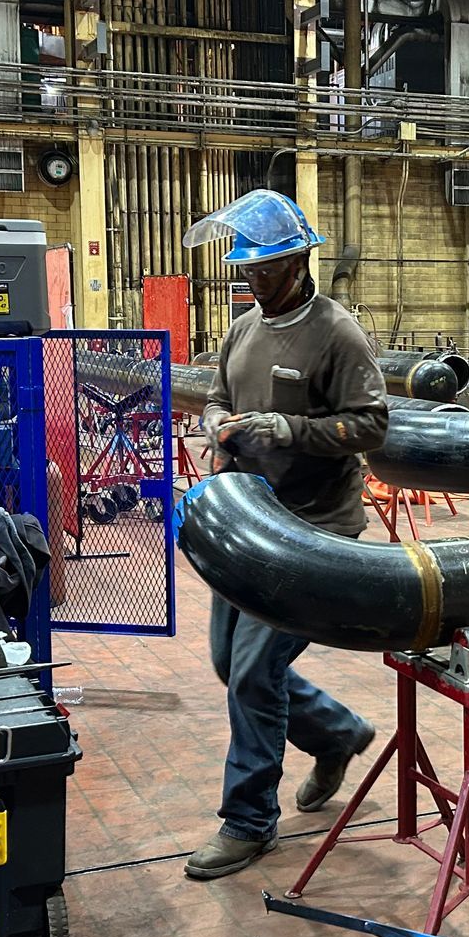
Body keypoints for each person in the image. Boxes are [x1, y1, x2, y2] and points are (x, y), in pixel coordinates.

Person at [180, 188, 387, 880]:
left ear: (298, 263)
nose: (252, 280)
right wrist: (216, 421)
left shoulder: (336, 332)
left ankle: (248, 822)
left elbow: (370, 425)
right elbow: (217, 394)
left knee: (253, 670)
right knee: (226, 664)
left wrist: (287, 429)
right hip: (248, 521)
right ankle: (337, 734)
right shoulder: (243, 329)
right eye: (247, 271)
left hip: (311, 530)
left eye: (265, 270)